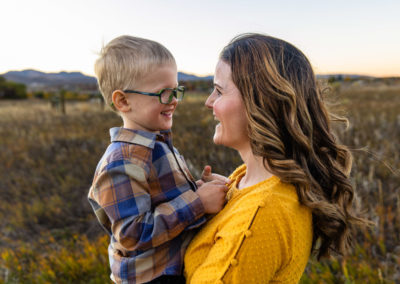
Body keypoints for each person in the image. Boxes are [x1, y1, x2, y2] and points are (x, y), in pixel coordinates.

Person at [184, 33, 367, 283]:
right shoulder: (246, 178)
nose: (208, 102)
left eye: (218, 91)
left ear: (260, 101)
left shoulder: (264, 212)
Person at [87, 35, 229, 284]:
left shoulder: (157, 143)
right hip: (152, 277)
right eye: (163, 93)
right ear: (123, 101)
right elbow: (132, 233)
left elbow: (163, 201)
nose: (173, 100)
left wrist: (198, 189)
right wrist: (197, 202)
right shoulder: (121, 162)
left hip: (172, 267)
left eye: (175, 90)